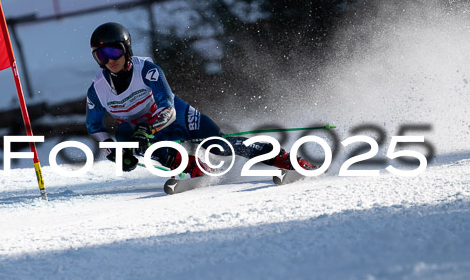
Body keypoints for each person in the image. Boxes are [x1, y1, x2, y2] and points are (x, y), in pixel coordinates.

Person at [85, 22, 315, 177]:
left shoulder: (147, 70)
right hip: (145, 132)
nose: (109, 60)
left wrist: (148, 127)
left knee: (220, 147)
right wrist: (112, 150)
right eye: (101, 55)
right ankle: (193, 168)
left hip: (178, 118)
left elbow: (168, 107)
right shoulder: (98, 90)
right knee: (127, 139)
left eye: (114, 52)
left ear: (126, 49)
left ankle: (285, 159)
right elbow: (94, 126)